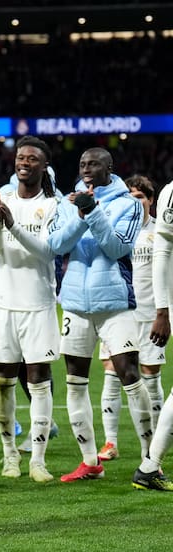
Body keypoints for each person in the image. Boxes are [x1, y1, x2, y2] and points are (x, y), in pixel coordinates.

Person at [48, 147, 153, 483]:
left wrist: (92, 211)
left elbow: (118, 246)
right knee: (75, 382)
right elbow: (56, 245)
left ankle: (151, 460)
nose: (86, 168)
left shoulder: (129, 204)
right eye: (82, 164)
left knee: (130, 376)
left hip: (115, 304)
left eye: (93, 163)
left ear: (110, 167)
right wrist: (80, 214)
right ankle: (90, 461)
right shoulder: (67, 202)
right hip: (76, 304)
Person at [0, 136, 60, 483]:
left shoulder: (54, 206)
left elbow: (46, 252)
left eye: (32, 158)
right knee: (3, 381)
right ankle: (9, 455)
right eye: (20, 157)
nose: (23, 162)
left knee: (39, 380)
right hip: (5, 304)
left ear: (44, 167)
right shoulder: (2, 199)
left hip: (39, 304)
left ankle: (38, 460)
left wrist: (12, 223)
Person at [98, 175, 165, 462]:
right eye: (131, 196)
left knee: (150, 378)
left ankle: (157, 439)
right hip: (119, 311)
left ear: (151, 200)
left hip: (150, 315)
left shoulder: (161, 231)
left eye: (140, 197)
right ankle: (110, 442)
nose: (135, 202)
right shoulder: (117, 228)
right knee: (111, 375)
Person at [135, 177, 173, 490]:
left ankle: (150, 466)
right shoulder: (172, 192)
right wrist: (163, 311)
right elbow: (162, 250)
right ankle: (149, 466)